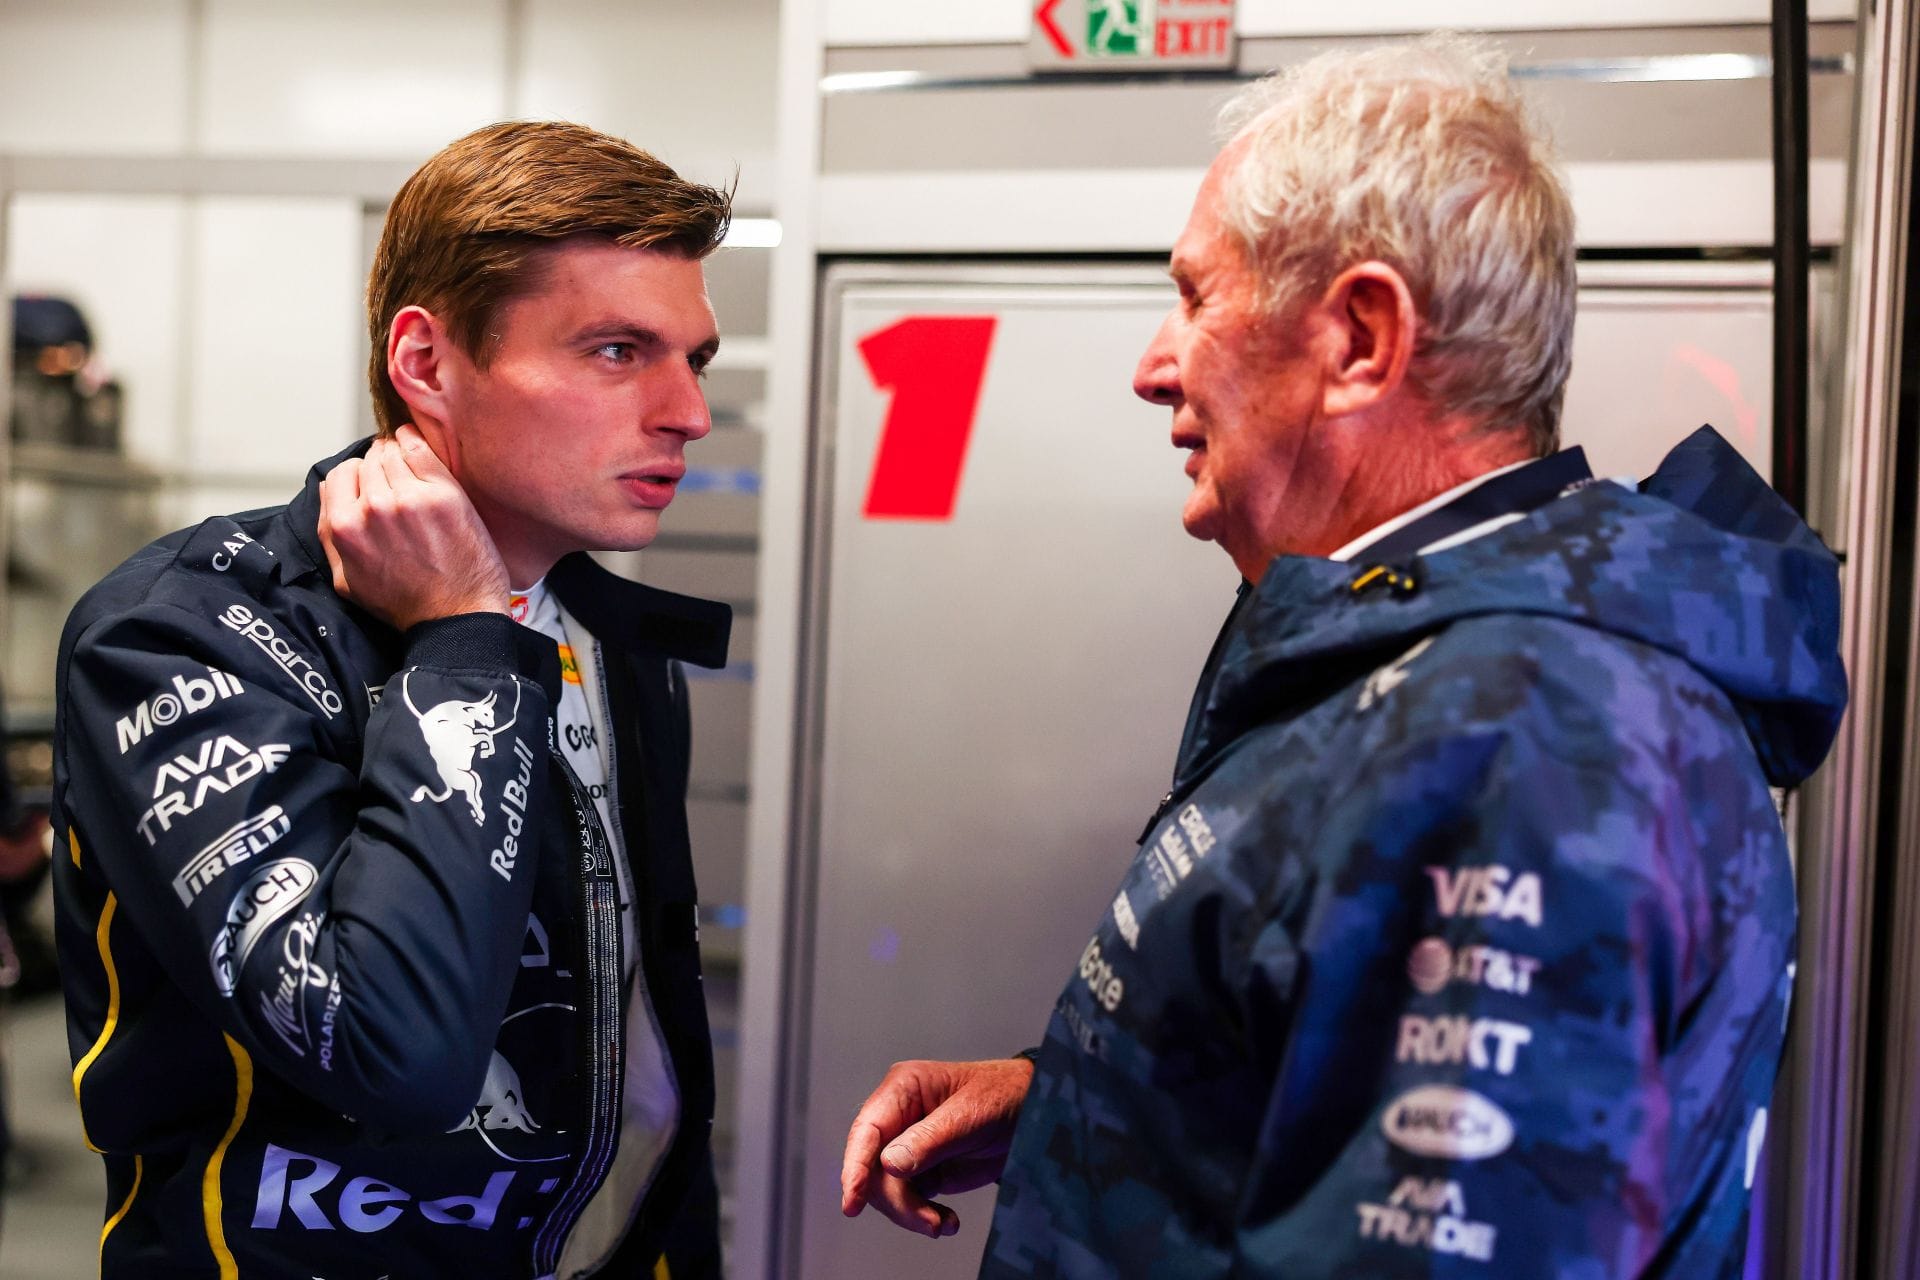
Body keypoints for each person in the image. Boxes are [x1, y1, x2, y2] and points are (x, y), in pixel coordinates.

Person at [841, 34, 1847, 1277]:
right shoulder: (1439, 661)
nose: (1156, 364)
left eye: (1198, 296)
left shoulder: (1514, 732)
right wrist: (1098, 1097)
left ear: (1362, 337)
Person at [51, 120, 734, 1279]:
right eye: (618, 351)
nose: (687, 412)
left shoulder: (610, 634)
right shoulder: (179, 634)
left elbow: (647, 1053)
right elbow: (386, 1048)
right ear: (425, 362)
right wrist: (464, 640)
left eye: (693, 358)